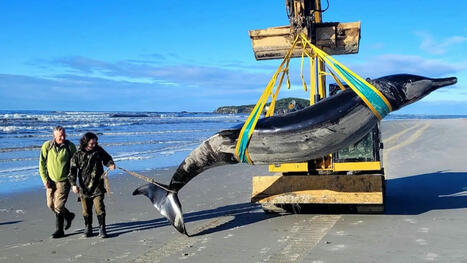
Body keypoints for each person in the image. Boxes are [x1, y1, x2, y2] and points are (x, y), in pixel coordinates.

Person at [68, 132, 115, 238]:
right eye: (92, 143)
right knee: (86, 210)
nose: (94, 145)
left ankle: (102, 228)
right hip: (84, 187)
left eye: (95, 143)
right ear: (85, 143)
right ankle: (88, 227)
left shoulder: (98, 150)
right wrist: (73, 184)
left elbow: (107, 158)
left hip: (97, 185)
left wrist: (111, 164)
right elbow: (72, 170)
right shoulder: (78, 154)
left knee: (99, 207)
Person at [39, 126, 77, 238]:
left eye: (64, 135)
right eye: (60, 135)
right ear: (54, 136)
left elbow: (75, 165)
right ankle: (69, 216)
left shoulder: (70, 146)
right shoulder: (47, 146)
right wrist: (45, 179)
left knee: (58, 206)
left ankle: (59, 230)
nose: (62, 137)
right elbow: (41, 164)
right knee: (50, 205)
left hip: (64, 181)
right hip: (50, 181)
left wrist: (73, 182)